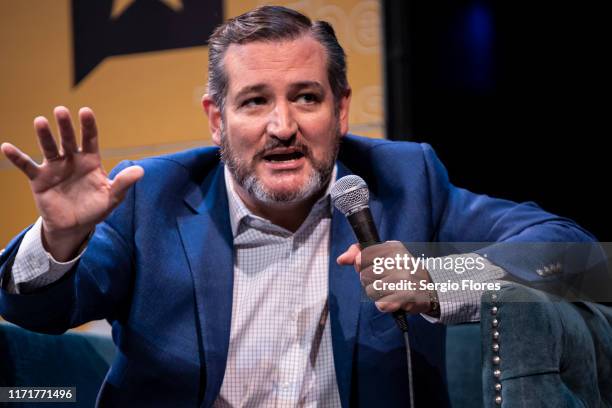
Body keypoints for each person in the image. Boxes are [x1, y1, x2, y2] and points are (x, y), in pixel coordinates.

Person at [0, 6, 599, 407]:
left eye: (305, 98)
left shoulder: (403, 180)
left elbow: (576, 261)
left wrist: (442, 277)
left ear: (340, 110)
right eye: (255, 101)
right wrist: (59, 241)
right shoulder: (152, 196)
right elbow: (40, 313)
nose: (281, 126)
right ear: (217, 119)